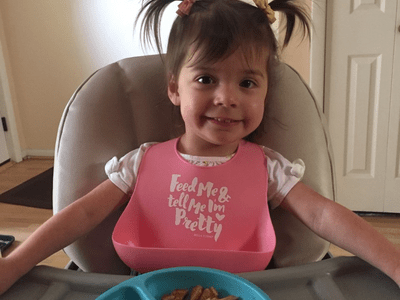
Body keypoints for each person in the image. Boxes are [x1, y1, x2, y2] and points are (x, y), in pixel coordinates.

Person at [1, 0, 399, 294]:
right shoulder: (141, 162)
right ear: (175, 87)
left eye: (247, 83)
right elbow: (82, 214)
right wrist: (16, 263)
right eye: (207, 79)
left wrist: (393, 262)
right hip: (150, 290)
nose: (227, 97)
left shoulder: (270, 169)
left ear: (265, 92)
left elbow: (325, 215)